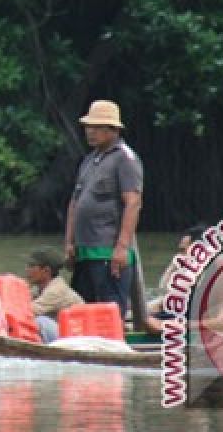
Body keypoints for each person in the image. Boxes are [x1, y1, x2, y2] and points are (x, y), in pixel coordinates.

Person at [63, 99, 143, 322]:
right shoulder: (89, 160)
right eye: (89, 127)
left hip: (108, 252)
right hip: (84, 252)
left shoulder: (125, 158)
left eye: (97, 127)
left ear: (113, 130)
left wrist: (121, 248)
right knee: (80, 308)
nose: (90, 132)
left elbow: (133, 203)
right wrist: (69, 243)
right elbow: (74, 203)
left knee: (109, 311)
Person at [145, 224, 206, 333]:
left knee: (148, 321)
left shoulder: (216, 272)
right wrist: (173, 266)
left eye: (183, 250)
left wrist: (173, 325)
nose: (180, 255)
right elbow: (163, 288)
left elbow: (221, 321)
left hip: (190, 323)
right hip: (177, 316)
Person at [25, 247, 84, 343]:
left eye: (31, 266)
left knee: (40, 321)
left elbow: (29, 310)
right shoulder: (38, 288)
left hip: (75, 337)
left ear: (46, 271)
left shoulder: (56, 290)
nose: (27, 270)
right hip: (63, 331)